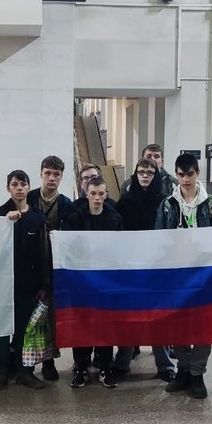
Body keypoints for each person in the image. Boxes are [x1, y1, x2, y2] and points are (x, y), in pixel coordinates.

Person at [155, 153, 212, 399]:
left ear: (198, 173)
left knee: (203, 325)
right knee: (179, 324)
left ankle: (197, 373)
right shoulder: (167, 205)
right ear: (176, 175)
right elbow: (158, 237)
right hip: (177, 274)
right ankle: (183, 369)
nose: (185, 179)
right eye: (181, 174)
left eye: (190, 174)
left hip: (205, 274)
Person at [113, 158, 176, 381]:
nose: (145, 176)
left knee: (159, 317)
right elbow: (116, 232)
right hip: (132, 267)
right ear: (135, 174)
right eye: (141, 172)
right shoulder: (126, 201)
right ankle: (122, 362)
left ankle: (165, 365)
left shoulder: (165, 201)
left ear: (156, 174)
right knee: (130, 315)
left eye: (149, 172)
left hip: (158, 267)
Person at [0, 170, 49, 391]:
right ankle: (0, 373)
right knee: (1, 330)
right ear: (8, 188)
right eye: (14, 184)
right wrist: (5, 223)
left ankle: (25, 372)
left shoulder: (38, 219)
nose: (19, 188)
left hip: (28, 285)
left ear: (28, 187)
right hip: (1, 285)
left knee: (26, 329)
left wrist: (44, 285)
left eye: (23, 184)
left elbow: (44, 255)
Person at [66, 176, 123, 389]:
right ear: (86, 194)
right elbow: (69, 249)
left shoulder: (115, 219)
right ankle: (81, 368)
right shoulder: (74, 219)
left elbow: (120, 250)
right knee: (81, 324)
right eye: (93, 193)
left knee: (105, 324)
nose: (97, 198)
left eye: (101, 193)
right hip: (81, 280)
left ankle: (106, 368)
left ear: (106, 195)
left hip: (106, 281)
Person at [26, 155, 76, 380]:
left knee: (50, 316)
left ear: (62, 177)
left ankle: (49, 361)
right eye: (48, 173)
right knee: (28, 314)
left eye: (56, 174)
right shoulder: (28, 198)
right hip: (30, 264)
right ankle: (25, 363)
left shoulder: (66, 204)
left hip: (55, 266)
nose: (52, 178)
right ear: (41, 174)